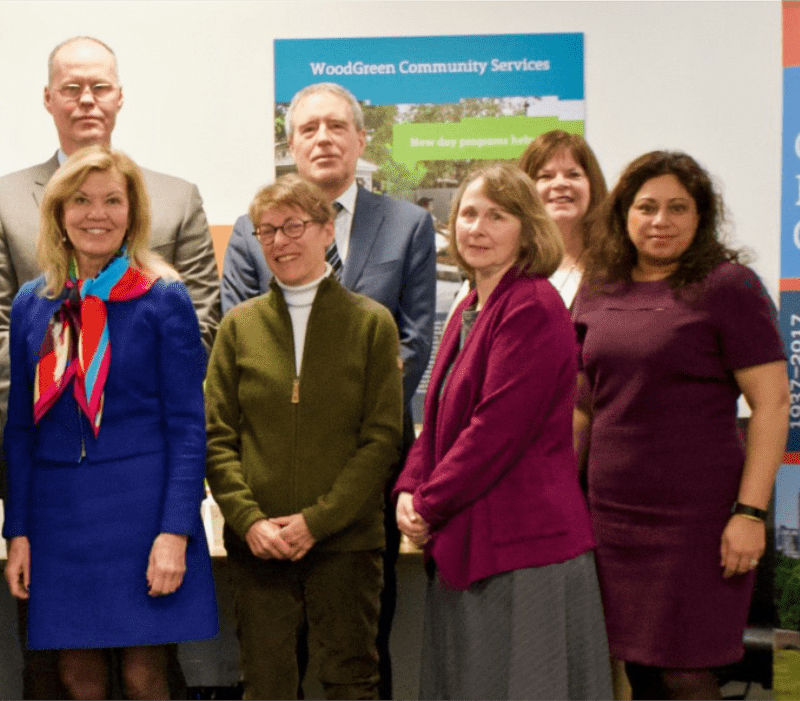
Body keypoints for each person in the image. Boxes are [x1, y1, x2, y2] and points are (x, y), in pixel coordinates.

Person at [217, 81, 437, 696]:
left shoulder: (409, 224)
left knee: (357, 656)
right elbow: (241, 355)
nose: (323, 138)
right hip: (265, 496)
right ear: (290, 144)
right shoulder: (248, 231)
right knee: (271, 668)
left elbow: (412, 344)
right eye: (308, 128)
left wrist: (333, 489)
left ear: (361, 139)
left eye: (336, 126)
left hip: (359, 485)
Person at [2, 146, 218, 700]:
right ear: (58, 212)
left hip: (142, 514)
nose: (96, 214)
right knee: (76, 677)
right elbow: (21, 429)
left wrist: (176, 532)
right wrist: (17, 532)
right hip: (59, 517)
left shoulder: (162, 297)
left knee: (145, 677)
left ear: (132, 213)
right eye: (81, 200)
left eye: (112, 201)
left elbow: (189, 428)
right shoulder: (33, 303)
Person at [392, 164, 612, 700]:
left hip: (525, 549)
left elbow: (496, 432)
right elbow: (441, 413)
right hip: (472, 538)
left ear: (528, 228)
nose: (478, 227)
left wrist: (428, 503)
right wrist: (406, 488)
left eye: (498, 215)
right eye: (468, 213)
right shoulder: (471, 304)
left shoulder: (533, 306)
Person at [573, 151, 786, 700]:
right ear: (623, 214)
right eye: (646, 207)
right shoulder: (599, 286)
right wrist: (564, 501)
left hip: (697, 520)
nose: (659, 221)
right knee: (639, 666)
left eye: (677, 208)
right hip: (612, 516)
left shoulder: (727, 286)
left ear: (701, 217)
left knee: (686, 670)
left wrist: (750, 514)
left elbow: (772, 404)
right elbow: (582, 407)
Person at [205, 175, 403, 700]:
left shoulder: (371, 325)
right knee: (266, 686)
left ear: (327, 231)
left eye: (294, 226)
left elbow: (383, 439)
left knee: (351, 682)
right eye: (266, 230)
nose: (279, 241)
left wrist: (318, 522)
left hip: (346, 545)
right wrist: (247, 520)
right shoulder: (238, 328)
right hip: (259, 547)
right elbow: (216, 438)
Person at [0, 36, 220, 422]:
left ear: (119, 97)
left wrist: (120, 403)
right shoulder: (1, 201)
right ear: (48, 98)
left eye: (99, 87)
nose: (87, 99)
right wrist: (60, 405)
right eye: (71, 88)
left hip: (145, 433)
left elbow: (201, 327)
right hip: (41, 433)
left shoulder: (178, 200)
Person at [518, 130, 609, 305]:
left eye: (573, 174)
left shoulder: (618, 266)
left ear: (592, 184)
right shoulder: (506, 267)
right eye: (545, 176)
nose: (560, 183)